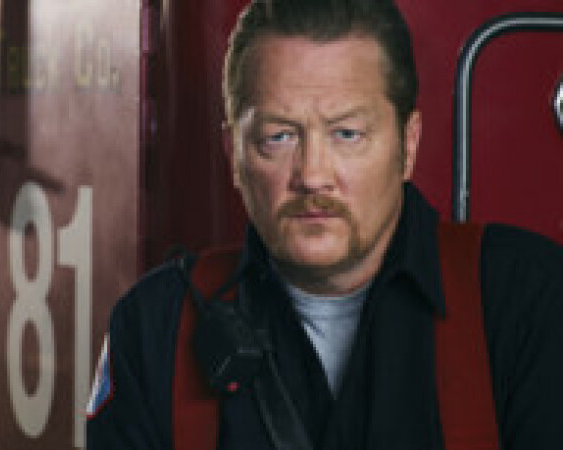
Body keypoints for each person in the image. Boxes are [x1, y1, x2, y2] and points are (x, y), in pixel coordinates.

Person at [86, 0, 563, 448]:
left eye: (347, 134)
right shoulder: (155, 329)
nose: (312, 175)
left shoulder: (530, 303)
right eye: (278, 137)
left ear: (408, 145)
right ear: (234, 154)